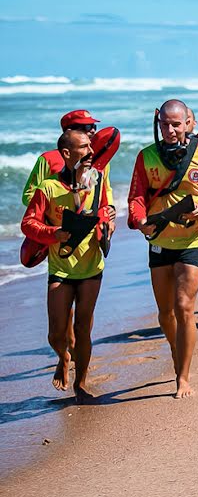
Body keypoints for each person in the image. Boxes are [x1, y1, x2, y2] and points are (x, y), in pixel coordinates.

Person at [128, 99, 198, 398]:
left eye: (176, 124)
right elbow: (136, 197)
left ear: (189, 123)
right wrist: (139, 220)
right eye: (165, 124)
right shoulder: (146, 157)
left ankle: (182, 377)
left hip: (193, 240)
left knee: (184, 306)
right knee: (164, 314)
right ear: (158, 124)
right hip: (159, 240)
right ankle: (176, 345)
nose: (170, 130)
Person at [21, 130, 116, 403]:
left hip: (91, 265)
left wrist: (109, 225)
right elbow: (28, 224)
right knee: (56, 332)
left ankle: (81, 384)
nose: (90, 151)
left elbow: (107, 214)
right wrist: (54, 234)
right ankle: (62, 357)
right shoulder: (48, 188)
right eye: (84, 147)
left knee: (84, 327)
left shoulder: (96, 181)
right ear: (66, 153)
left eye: (91, 146)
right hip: (61, 267)